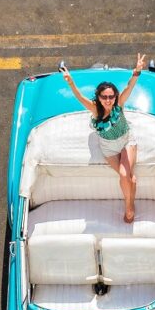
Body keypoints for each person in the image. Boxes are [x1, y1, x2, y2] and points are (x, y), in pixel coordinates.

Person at [61, 54, 147, 223]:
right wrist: (70, 82)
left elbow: (130, 86)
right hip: (108, 148)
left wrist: (137, 71)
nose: (108, 100)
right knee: (130, 178)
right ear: (98, 98)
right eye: (104, 97)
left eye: (111, 96)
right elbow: (80, 97)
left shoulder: (118, 104)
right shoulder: (95, 110)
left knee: (124, 174)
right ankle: (131, 203)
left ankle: (129, 208)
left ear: (115, 96)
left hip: (126, 141)